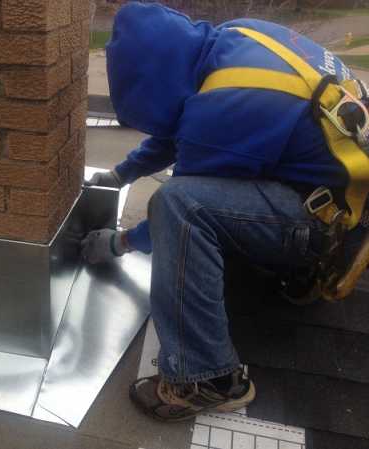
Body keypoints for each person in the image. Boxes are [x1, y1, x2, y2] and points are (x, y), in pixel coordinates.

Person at [82, 3, 369, 422]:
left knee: (178, 205)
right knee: (196, 202)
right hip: (337, 190)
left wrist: (119, 243)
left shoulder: (228, 103)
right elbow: (183, 126)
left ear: (153, 83)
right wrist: (119, 175)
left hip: (325, 224)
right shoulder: (233, 41)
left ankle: (206, 379)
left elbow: (179, 213)